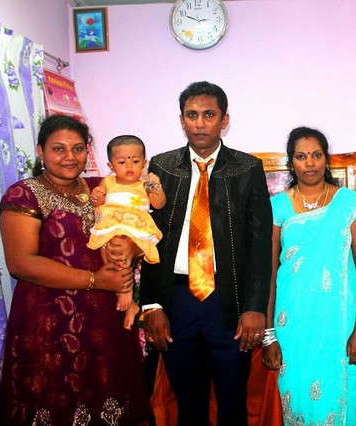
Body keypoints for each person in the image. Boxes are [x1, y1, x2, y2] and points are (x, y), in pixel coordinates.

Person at [0, 115, 149, 425]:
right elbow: (21, 263)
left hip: (105, 318)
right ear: (40, 151)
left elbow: (138, 225)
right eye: (58, 149)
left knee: (108, 392)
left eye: (78, 148)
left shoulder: (100, 189)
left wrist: (134, 248)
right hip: (49, 320)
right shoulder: (24, 194)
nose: (70, 157)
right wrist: (95, 280)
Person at [139, 81, 273, 425]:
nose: (200, 123)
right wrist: (151, 305)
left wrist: (255, 308)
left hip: (229, 302)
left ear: (224, 120)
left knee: (232, 400)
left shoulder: (246, 168)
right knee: (188, 403)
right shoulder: (162, 166)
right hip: (177, 300)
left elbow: (260, 245)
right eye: (192, 115)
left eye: (209, 115)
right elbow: (148, 236)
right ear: (181, 120)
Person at [262, 127, 356, 425]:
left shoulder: (349, 204)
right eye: (301, 157)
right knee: (300, 399)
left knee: (348, 399)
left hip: (341, 323)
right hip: (293, 324)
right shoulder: (276, 207)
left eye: (316, 155)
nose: (310, 163)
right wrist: (269, 334)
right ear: (291, 163)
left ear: (327, 159)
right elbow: (269, 273)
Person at [87, 135, 166, 329]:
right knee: (106, 254)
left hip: (134, 226)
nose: (129, 166)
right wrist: (96, 196)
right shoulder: (108, 181)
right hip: (111, 224)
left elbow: (159, 204)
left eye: (136, 161)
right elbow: (97, 204)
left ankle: (126, 294)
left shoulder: (145, 183)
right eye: (122, 162)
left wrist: (155, 186)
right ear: (111, 165)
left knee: (122, 252)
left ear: (144, 163)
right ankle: (127, 299)